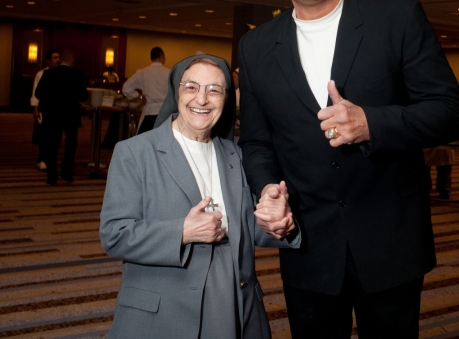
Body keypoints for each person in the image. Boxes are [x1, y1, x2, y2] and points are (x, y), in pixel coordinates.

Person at [237, 0, 459, 339]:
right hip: (307, 243)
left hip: (390, 239)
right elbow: (256, 142)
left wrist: (371, 124)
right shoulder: (255, 46)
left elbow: (451, 111)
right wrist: (267, 189)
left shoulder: (396, 19)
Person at [100, 54, 300, 339]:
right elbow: (114, 234)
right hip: (163, 313)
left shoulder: (235, 155)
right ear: (176, 92)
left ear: (226, 99)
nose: (202, 99)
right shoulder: (134, 152)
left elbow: (246, 224)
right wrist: (181, 231)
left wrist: (281, 225)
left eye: (214, 90)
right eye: (191, 87)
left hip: (235, 307)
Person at [35, 49, 88, 185]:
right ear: (71, 60)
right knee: (71, 143)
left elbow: (38, 93)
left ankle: (51, 175)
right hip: (71, 113)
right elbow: (84, 97)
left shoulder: (48, 74)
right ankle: (67, 172)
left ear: (61, 59)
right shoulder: (78, 75)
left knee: (52, 144)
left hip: (52, 114)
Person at [122, 46, 170, 134]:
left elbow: (126, 88)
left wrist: (139, 96)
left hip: (148, 111)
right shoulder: (169, 73)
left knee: (144, 141)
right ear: (162, 56)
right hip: (165, 113)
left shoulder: (142, 72)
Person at [30, 48, 61, 171]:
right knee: (43, 134)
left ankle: (51, 159)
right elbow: (35, 93)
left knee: (55, 136)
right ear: (48, 60)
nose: (58, 60)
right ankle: (42, 159)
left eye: (59, 57)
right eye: (54, 58)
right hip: (44, 108)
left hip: (57, 109)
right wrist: (35, 109)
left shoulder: (61, 74)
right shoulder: (41, 74)